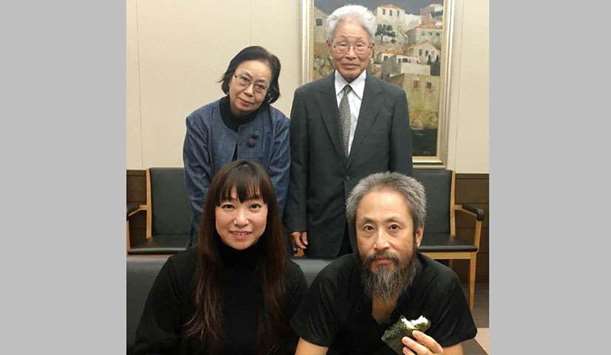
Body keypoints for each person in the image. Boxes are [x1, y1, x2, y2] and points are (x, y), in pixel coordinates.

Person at [291, 172, 476, 355]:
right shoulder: (332, 282)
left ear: (417, 235)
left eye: (393, 227)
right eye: (368, 228)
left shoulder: (441, 285)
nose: (380, 243)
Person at [133, 160, 307, 354]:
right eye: (228, 206)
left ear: (269, 213)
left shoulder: (289, 277)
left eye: (254, 206)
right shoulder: (180, 271)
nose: (241, 220)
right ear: (212, 212)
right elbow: (148, 348)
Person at [285, 5, 413, 258]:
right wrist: (296, 221)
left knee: (372, 294)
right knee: (323, 292)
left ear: (371, 49)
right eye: (342, 45)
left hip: (375, 224)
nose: (351, 54)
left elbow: (401, 170)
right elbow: (298, 165)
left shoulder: (393, 99)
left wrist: (402, 223)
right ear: (331, 46)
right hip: (320, 222)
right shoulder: (307, 97)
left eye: (359, 45)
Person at [184, 46, 290, 246]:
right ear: (230, 77)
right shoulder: (200, 122)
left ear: (269, 92)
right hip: (208, 232)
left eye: (260, 86)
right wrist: (221, 230)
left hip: (262, 237)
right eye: (244, 79)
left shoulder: (279, 125)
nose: (249, 91)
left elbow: (277, 189)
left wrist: (253, 230)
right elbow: (198, 189)